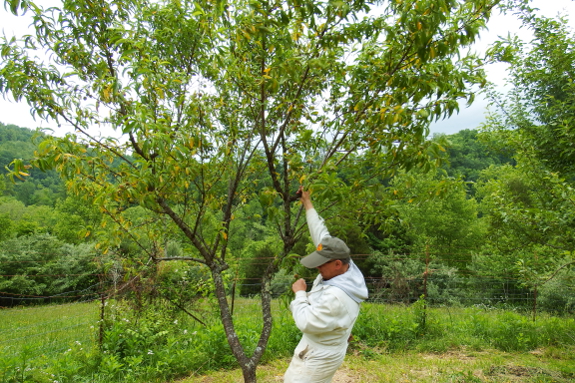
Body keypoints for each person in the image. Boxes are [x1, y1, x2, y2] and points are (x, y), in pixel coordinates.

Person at [284, 187, 369, 383]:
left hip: (320, 355)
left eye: (322, 263)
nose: (318, 267)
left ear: (337, 264)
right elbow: (320, 233)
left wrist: (300, 294)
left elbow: (306, 322)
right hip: (315, 345)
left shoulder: (336, 297)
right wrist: (307, 202)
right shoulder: (344, 265)